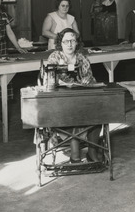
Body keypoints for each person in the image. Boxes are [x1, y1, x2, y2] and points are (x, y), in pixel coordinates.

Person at [44, 28, 103, 164]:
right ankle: (75, 151)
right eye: (66, 41)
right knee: (72, 113)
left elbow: (89, 77)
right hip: (61, 102)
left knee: (99, 112)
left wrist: (87, 80)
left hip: (81, 99)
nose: (69, 44)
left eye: (72, 41)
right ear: (61, 43)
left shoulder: (82, 57)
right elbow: (50, 79)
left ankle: (92, 151)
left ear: (77, 43)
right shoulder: (55, 57)